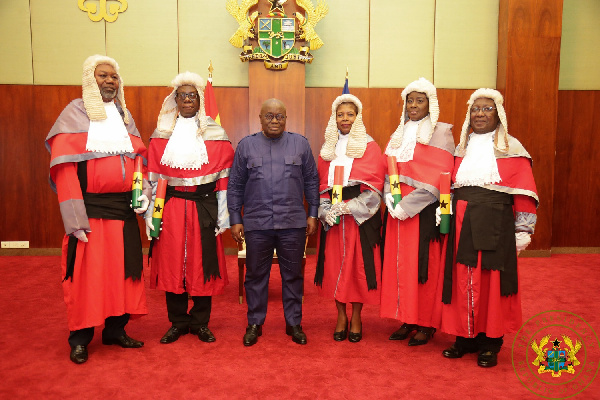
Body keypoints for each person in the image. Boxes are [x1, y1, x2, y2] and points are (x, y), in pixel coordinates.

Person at [45, 55, 149, 364]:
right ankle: (80, 338)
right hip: (89, 213)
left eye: (114, 77)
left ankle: (116, 330)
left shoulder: (125, 117)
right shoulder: (73, 115)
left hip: (122, 213)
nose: (110, 81)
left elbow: (136, 161)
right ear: (90, 80)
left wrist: (141, 193)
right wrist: (74, 219)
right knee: (86, 278)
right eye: (103, 75)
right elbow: (64, 172)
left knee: (123, 274)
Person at [439, 88, 538, 368]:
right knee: (462, 279)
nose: (480, 114)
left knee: (491, 283)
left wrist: (523, 230)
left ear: (499, 114)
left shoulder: (514, 149)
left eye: (487, 109)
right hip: (461, 221)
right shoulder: (461, 148)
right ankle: (464, 338)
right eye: (475, 109)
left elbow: (524, 193)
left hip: (495, 222)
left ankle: (490, 343)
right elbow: (450, 185)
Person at [146, 72, 234, 344]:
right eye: (181, 96)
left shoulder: (217, 135)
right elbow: (152, 181)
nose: (186, 100)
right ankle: (178, 322)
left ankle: (200, 322)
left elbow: (223, 181)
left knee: (202, 265)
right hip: (171, 209)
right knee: (172, 266)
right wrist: (151, 216)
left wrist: (223, 216)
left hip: (203, 210)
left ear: (200, 100)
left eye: (192, 95)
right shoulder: (161, 136)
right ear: (175, 100)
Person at [227, 98, 319, 346]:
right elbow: (234, 185)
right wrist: (235, 218)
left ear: (286, 118)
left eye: (279, 116)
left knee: (293, 276)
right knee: (256, 276)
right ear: (260, 118)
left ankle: (294, 324)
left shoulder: (300, 144)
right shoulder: (246, 146)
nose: (275, 121)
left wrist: (313, 214)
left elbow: (312, 180)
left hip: (292, 223)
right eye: (269, 116)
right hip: (257, 224)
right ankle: (255, 323)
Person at [379, 78, 455, 346]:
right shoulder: (397, 133)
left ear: (430, 104)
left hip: (422, 212)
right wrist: (390, 198)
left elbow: (441, 177)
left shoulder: (442, 132)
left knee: (424, 268)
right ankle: (407, 318)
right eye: (409, 100)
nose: (413, 105)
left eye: (419, 100)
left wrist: (406, 207)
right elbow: (388, 169)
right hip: (396, 210)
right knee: (402, 266)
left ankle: (426, 323)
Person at [314, 94, 386, 343]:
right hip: (333, 218)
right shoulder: (328, 148)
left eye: (350, 114)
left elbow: (375, 188)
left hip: (358, 218)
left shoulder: (371, 146)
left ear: (358, 117)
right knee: (335, 267)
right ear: (334, 118)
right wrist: (325, 209)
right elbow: (320, 185)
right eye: (340, 114)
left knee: (357, 269)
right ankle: (340, 316)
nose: (345, 119)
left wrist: (347, 207)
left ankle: (356, 316)